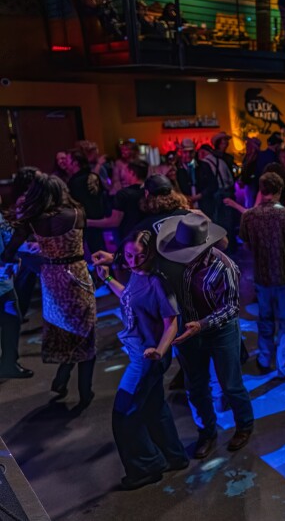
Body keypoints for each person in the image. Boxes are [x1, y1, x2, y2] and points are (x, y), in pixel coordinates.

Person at [95, 230, 189, 490]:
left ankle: (146, 467)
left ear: (150, 254)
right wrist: (108, 279)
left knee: (124, 414)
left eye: (139, 256)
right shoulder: (136, 276)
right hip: (141, 354)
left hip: (147, 358)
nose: (133, 261)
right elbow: (129, 298)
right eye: (128, 256)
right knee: (154, 407)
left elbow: (172, 323)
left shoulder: (158, 282)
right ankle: (175, 456)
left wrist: (159, 351)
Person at [157, 213, 254, 458]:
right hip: (188, 332)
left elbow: (231, 308)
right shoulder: (170, 261)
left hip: (221, 331)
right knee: (195, 387)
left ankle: (244, 426)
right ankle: (207, 432)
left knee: (231, 384)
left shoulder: (225, 267)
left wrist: (202, 324)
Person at [1, 174, 97, 406]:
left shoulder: (33, 220)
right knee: (86, 331)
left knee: (63, 330)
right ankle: (85, 391)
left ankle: (62, 378)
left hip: (51, 279)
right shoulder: (76, 214)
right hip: (75, 276)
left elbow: (8, 252)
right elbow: (82, 246)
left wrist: (34, 256)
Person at [239, 172, 285, 377]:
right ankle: (284, 365)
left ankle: (264, 359)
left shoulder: (249, 216)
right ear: (281, 190)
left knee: (265, 320)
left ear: (261, 190)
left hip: (262, 277)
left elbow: (246, 245)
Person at [0, 207, 30, 379]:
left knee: (12, 319)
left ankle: (8, 364)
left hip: (4, 281)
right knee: (11, 319)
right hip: (2, 280)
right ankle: (8, 364)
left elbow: (9, 240)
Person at [87, 158, 148, 241]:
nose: (124, 174)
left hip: (129, 240)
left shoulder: (123, 194)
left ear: (132, 173)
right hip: (147, 237)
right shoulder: (150, 191)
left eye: (126, 171)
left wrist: (89, 222)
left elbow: (114, 221)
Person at [58, 151, 106, 255]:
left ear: (75, 163)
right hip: (99, 221)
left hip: (85, 223)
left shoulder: (75, 182)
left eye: (68, 160)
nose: (65, 163)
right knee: (100, 251)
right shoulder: (93, 176)